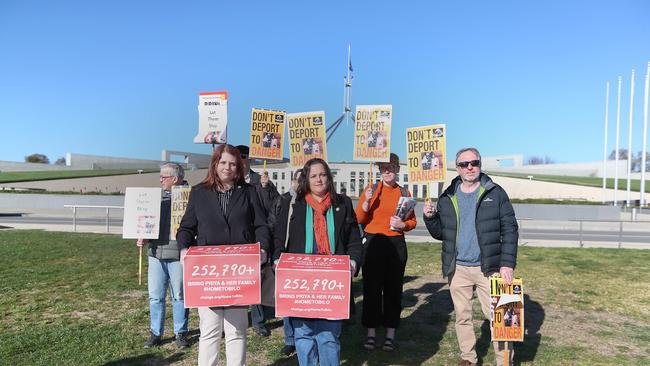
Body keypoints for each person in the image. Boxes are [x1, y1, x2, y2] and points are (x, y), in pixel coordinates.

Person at [177, 144, 271, 366]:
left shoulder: (249, 192)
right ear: (215, 164)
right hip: (208, 275)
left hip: (238, 274)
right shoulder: (200, 192)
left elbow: (261, 226)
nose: (228, 167)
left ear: (239, 166)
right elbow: (186, 228)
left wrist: (263, 249)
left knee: (237, 330)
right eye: (223, 162)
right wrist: (183, 249)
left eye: (233, 163)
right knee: (209, 330)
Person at [423, 147, 518, 366]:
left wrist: (507, 264)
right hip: (458, 269)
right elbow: (441, 233)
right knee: (463, 317)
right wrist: (430, 218)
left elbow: (510, 229)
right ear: (457, 168)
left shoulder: (495, 192)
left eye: (474, 163)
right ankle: (468, 359)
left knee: (500, 319)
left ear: (480, 164)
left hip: (490, 267)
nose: (470, 168)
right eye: (464, 164)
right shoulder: (447, 195)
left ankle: (504, 361)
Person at [273, 158, 362, 366]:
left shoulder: (343, 203)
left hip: (332, 281)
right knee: (303, 336)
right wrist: (278, 260)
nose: (319, 179)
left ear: (329, 177)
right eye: (313, 176)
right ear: (306, 179)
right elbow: (279, 237)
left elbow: (354, 240)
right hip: (300, 280)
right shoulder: (294, 203)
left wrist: (354, 263)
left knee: (328, 336)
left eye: (322, 174)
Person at [355, 153, 416, 352]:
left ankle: (390, 334)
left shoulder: (405, 192)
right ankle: (371, 333)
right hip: (373, 243)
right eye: (383, 167)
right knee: (371, 290)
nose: (387, 171)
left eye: (391, 167)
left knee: (393, 290)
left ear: (398, 169)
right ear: (379, 170)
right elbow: (359, 218)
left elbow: (412, 221)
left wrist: (403, 224)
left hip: (396, 243)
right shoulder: (371, 189)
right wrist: (366, 202)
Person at [137, 162, 190, 349]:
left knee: (180, 296)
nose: (160, 180)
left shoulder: (190, 198)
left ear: (175, 179)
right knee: (156, 296)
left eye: (163, 177)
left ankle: (180, 333)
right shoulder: (155, 199)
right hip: (155, 254)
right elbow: (146, 224)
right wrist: (142, 237)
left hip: (177, 255)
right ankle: (155, 333)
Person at [235, 145, 280, 337]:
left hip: (256, 236)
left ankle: (258, 321)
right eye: (238, 156)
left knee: (257, 279)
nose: (241, 160)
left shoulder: (259, 180)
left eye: (243, 156)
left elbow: (275, 206)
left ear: (249, 159)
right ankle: (234, 319)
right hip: (236, 237)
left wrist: (266, 187)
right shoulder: (230, 180)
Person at [266, 168, 303, 357]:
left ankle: (304, 338)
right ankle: (290, 340)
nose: (300, 184)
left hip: (304, 258)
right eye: (297, 180)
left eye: (303, 180)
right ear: (292, 182)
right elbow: (272, 225)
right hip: (285, 256)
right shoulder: (283, 200)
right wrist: (276, 254)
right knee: (287, 301)